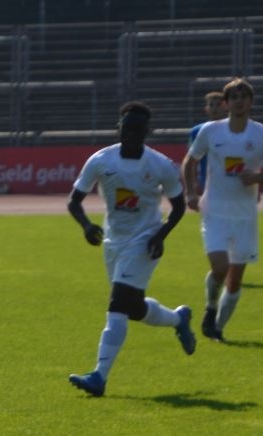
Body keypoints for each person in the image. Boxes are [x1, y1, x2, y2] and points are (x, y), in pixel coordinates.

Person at [67, 101, 195, 398]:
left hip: (144, 241)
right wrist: (86, 226)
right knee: (133, 307)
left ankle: (99, 376)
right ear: (119, 129)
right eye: (128, 128)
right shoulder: (101, 160)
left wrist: (160, 235)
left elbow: (178, 207)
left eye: (138, 129)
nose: (132, 134)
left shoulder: (160, 165)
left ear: (147, 131)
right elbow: (74, 201)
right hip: (113, 242)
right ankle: (178, 318)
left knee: (117, 305)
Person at [182, 77, 263, 343]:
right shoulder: (210, 131)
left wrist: (257, 177)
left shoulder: (259, 133)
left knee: (235, 279)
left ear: (250, 102)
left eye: (243, 97)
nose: (239, 101)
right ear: (226, 103)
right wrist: (191, 192)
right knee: (220, 268)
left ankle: (217, 327)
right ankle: (210, 306)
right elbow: (190, 161)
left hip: (245, 216)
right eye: (234, 97)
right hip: (215, 211)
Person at [188, 90, 227, 195]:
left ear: (225, 107)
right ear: (206, 109)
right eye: (211, 105)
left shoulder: (233, 129)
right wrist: (195, 182)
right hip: (207, 183)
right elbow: (192, 161)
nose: (214, 108)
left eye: (218, 105)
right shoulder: (197, 131)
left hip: (229, 183)